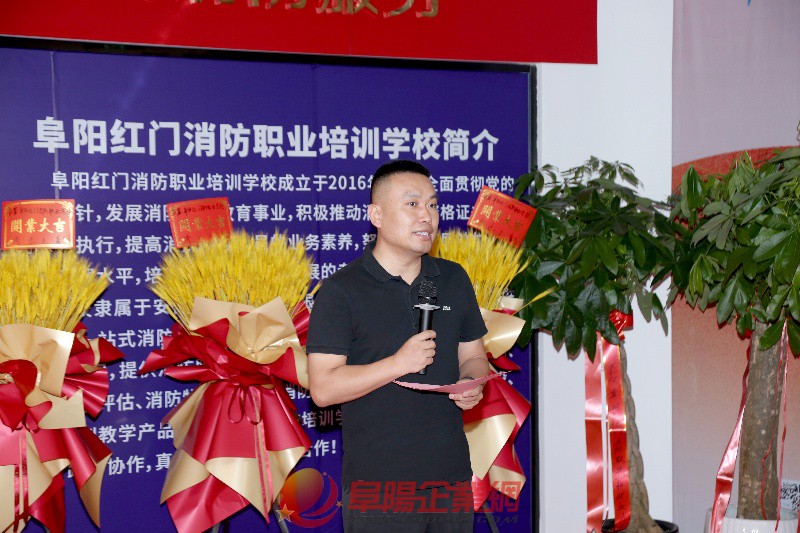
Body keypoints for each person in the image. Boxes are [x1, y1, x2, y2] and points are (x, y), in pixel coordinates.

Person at [306, 160, 491, 532]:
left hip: (451, 478)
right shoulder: (341, 291)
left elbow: (473, 354)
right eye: (412, 204)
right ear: (376, 215)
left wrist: (472, 382)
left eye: (433, 205)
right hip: (379, 485)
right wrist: (398, 363)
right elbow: (323, 389)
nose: (426, 216)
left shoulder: (453, 278)